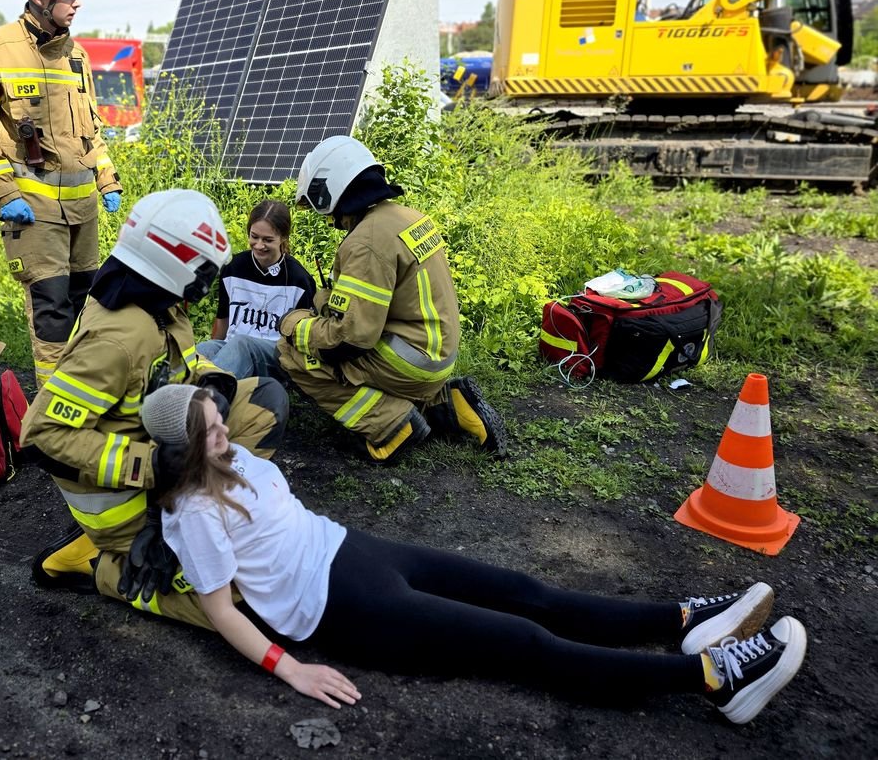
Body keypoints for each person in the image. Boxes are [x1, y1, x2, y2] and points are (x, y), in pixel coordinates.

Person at [141, 384, 808, 725]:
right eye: (210, 430)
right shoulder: (191, 513)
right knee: (522, 641)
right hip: (336, 606)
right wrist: (292, 670)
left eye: (218, 415)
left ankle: (682, 622)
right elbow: (222, 610)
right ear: (183, 452)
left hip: (350, 550)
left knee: (525, 589)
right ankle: (714, 680)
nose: (225, 428)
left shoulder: (234, 455)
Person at [19, 189, 289, 629]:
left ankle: (195, 518)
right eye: (204, 269)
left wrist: (216, 385)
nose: (206, 283)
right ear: (180, 264)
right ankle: (102, 566)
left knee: (262, 401)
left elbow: (180, 361)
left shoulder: (157, 298)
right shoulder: (117, 339)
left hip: (162, 456)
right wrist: (153, 465)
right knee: (251, 596)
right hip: (126, 497)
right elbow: (41, 438)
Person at [277, 135, 507, 463]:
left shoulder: (365, 241)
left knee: (292, 355)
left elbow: (351, 340)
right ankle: (447, 404)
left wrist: (295, 326)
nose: (330, 220)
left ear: (332, 189)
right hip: (436, 354)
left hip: (409, 363)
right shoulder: (408, 217)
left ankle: (391, 426)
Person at [0, 0, 124, 388]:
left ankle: (84, 392)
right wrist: (6, 193)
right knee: (52, 312)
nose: (76, 2)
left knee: (86, 305)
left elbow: (90, 126)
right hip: (33, 210)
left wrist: (106, 179)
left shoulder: (76, 55)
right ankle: (53, 410)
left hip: (83, 209)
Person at [197, 200, 317, 380]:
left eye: (268, 240)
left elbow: (303, 342)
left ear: (283, 238)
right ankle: (177, 394)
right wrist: (215, 344)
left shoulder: (299, 280)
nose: (259, 245)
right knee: (202, 350)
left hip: (276, 356)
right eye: (254, 237)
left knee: (242, 343)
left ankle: (209, 396)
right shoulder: (233, 267)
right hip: (233, 347)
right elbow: (223, 319)